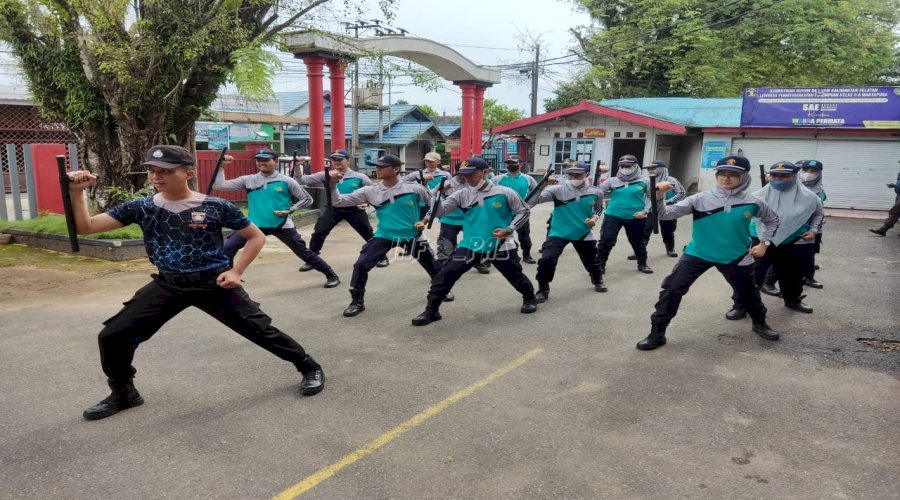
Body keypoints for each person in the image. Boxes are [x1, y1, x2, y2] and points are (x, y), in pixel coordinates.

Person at [67, 145, 325, 420]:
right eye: (153, 171)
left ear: (188, 173)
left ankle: (309, 366)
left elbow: (255, 236)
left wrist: (236, 271)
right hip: (169, 284)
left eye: (166, 171)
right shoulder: (142, 207)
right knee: (113, 336)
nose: (157, 176)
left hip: (213, 284)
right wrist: (76, 192)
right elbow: (87, 227)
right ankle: (123, 392)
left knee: (260, 330)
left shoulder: (215, 206)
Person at [636, 155, 781, 351]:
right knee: (671, 289)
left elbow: (772, 220)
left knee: (748, 293)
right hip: (698, 253)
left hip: (736, 256)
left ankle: (760, 323)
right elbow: (665, 214)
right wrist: (660, 197)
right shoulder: (700, 198)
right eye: (722, 174)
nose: (726, 178)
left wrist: (764, 242)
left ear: (744, 177)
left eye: (733, 175)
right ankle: (657, 333)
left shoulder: (754, 202)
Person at [410, 157, 538, 326]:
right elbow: (441, 211)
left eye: (471, 174)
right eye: (463, 175)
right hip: (471, 244)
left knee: (514, 275)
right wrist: (435, 193)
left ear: (485, 172)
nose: (467, 178)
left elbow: (524, 211)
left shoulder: (504, 192)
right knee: (445, 274)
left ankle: (530, 297)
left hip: (500, 244)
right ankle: (431, 310)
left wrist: (510, 229)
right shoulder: (461, 194)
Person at [328, 154, 451, 317]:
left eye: (382, 166)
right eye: (376, 166)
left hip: (411, 235)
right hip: (384, 235)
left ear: (396, 169)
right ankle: (357, 301)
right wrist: (332, 186)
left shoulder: (415, 188)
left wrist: (426, 219)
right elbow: (338, 202)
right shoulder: (370, 191)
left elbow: (438, 209)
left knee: (432, 266)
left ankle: (442, 291)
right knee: (361, 265)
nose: (377, 169)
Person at [213, 148, 340, 288]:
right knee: (228, 247)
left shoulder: (286, 181)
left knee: (303, 253)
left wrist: (290, 210)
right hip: (254, 225)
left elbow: (307, 199)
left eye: (266, 160)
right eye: (259, 160)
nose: (261, 163)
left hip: (282, 224)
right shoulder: (248, 180)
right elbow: (219, 186)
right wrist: (220, 166)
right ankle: (229, 278)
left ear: (275, 161)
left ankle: (331, 275)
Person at [726, 161, 823, 319]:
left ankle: (792, 300)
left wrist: (813, 230)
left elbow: (818, 214)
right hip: (760, 240)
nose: (778, 179)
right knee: (750, 275)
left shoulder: (810, 197)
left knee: (792, 275)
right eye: (774, 175)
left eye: (784, 176)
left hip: (794, 241)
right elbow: (742, 216)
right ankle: (741, 305)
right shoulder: (758, 196)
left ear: (794, 176)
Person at [297, 149, 389, 270]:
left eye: (340, 159)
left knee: (368, 233)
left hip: (354, 209)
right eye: (333, 159)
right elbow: (301, 180)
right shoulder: (326, 175)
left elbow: (373, 193)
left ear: (348, 161)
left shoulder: (360, 177)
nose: (336, 162)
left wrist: (366, 203)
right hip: (333, 209)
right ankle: (312, 260)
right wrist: (297, 165)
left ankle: (382, 256)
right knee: (319, 231)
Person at [528, 161, 606, 302]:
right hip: (558, 232)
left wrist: (594, 218)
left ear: (587, 174)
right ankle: (543, 287)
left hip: (583, 232)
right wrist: (543, 184)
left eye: (578, 174)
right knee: (546, 260)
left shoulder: (596, 191)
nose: (574, 177)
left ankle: (597, 279)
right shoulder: (557, 189)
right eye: (570, 174)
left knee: (592, 261)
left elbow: (599, 208)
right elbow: (531, 202)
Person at [596, 154, 654, 278]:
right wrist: (599, 174)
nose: (625, 168)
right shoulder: (612, 180)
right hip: (613, 215)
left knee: (638, 242)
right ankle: (600, 265)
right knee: (606, 240)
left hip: (635, 216)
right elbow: (597, 191)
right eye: (622, 166)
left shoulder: (644, 181)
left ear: (635, 166)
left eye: (628, 166)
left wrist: (645, 211)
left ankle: (642, 263)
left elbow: (650, 197)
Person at [627, 160, 686, 259]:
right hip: (650, 210)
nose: (650, 170)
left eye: (653, 168)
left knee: (668, 231)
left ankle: (670, 249)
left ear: (661, 169)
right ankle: (639, 251)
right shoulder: (646, 181)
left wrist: (669, 201)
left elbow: (682, 193)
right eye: (649, 169)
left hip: (667, 210)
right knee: (645, 231)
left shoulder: (671, 180)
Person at [397, 152, 452, 257]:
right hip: (422, 204)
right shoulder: (418, 174)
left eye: (431, 161)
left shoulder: (445, 175)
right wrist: (419, 181)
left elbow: (449, 190)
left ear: (438, 162)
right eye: (426, 160)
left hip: (438, 204)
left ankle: (443, 251)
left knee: (446, 227)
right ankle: (418, 246)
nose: (428, 162)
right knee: (416, 225)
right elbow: (401, 182)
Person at [492, 156, 538, 264]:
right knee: (498, 235)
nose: (510, 165)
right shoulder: (497, 179)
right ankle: (491, 256)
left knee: (524, 235)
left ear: (520, 164)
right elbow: (489, 193)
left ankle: (526, 255)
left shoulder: (528, 179)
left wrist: (530, 205)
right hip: (503, 213)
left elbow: (536, 193)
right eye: (508, 163)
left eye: (513, 163)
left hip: (520, 213)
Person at [868, 168, 900, 237]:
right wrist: (894, 186)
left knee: (894, 212)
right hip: (898, 195)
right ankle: (883, 230)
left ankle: (883, 229)